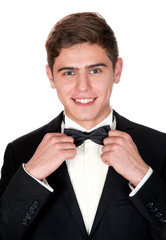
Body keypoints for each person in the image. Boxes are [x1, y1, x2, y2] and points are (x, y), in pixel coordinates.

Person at [0, 12, 166, 240]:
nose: (83, 87)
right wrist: (30, 177)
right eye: (69, 72)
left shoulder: (160, 148)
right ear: (50, 77)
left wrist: (142, 176)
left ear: (117, 70)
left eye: (95, 70)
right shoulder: (20, 152)